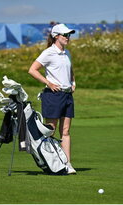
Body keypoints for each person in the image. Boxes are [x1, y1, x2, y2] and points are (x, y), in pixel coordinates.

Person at [28, 23, 77, 174]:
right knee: (51, 131)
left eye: (69, 35)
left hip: (67, 95)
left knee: (66, 131)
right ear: (56, 36)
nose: (68, 38)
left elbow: (70, 70)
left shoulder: (66, 53)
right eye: (65, 35)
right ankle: (51, 163)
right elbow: (32, 70)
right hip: (53, 95)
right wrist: (48, 83)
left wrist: (73, 82)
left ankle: (67, 164)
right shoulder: (48, 52)